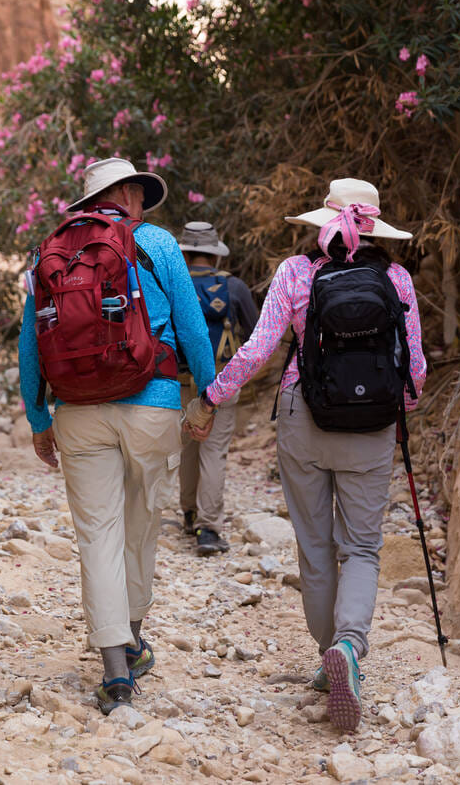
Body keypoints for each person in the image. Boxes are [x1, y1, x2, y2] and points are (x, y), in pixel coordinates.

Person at [185, 178, 425, 732]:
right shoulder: (397, 278)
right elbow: (414, 370)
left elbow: (258, 349)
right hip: (371, 424)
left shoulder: (297, 272)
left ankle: (328, 656)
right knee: (362, 547)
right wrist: (394, 408)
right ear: (375, 228)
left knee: (315, 548)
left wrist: (211, 398)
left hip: (304, 414)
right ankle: (349, 646)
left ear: (324, 222)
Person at [18, 158, 216, 714]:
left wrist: (38, 420)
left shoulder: (49, 252)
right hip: (152, 404)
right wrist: (207, 397)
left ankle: (114, 674)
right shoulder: (157, 242)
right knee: (141, 525)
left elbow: (30, 343)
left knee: (97, 536)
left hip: (77, 410)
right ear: (128, 193)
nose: (142, 201)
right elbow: (193, 327)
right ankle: (132, 639)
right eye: (139, 192)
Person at [175, 221, 259, 556]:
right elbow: (256, 335)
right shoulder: (234, 287)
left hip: (180, 380)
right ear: (216, 255)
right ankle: (208, 529)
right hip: (221, 382)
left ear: (185, 253)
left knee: (187, 448)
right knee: (214, 452)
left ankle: (188, 514)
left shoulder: (173, 283)